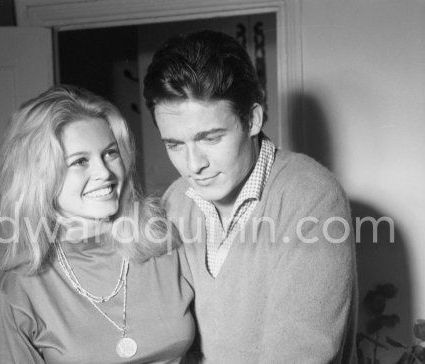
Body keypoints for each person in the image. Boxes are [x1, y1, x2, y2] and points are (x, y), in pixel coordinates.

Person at [143, 30, 357, 363]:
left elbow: (299, 354)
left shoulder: (310, 195)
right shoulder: (174, 202)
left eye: (211, 138)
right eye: (174, 145)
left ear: (253, 119)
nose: (193, 165)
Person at [0, 85, 195, 363]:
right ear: (41, 177)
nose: (104, 172)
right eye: (80, 161)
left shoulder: (164, 241)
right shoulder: (24, 287)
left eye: (111, 153)